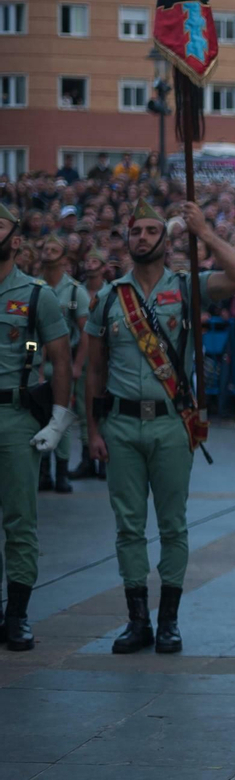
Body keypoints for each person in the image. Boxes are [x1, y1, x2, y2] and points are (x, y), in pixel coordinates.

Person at [83, 200, 235, 654]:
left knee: (174, 525)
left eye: (150, 231)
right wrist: (92, 430)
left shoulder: (186, 288)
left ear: (167, 239)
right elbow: (94, 370)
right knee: (128, 527)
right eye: (135, 231)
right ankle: (136, 619)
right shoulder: (108, 298)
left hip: (171, 425)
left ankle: (169, 621)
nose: (142, 238)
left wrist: (206, 232)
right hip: (120, 423)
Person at [0, 201, 75, 651]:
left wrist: (59, 420)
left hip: (14, 414)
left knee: (20, 520)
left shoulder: (34, 294)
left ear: (16, 239)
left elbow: (62, 358)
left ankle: (17, 615)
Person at [35, 235, 89, 493]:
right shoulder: (33, 286)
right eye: (45, 248)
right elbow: (30, 333)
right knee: (38, 416)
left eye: (54, 249)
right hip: (37, 360)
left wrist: (77, 366)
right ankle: (43, 471)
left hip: (65, 361)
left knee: (61, 413)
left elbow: (85, 332)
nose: (48, 253)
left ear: (64, 259)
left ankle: (62, 471)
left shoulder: (75, 290)